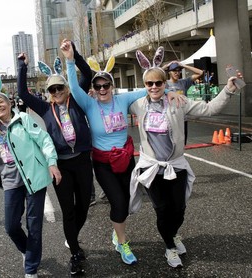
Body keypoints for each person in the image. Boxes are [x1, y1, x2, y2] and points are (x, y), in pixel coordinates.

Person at [60, 42, 183, 266]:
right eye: (98, 86)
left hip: (126, 159)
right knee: (117, 202)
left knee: (126, 203)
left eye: (106, 85)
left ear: (112, 86)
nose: (102, 89)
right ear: (94, 89)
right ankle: (122, 243)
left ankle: (117, 232)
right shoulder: (89, 104)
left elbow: (151, 88)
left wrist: (171, 91)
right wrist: (70, 60)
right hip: (103, 162)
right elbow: (75, 88)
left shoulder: (123, 100)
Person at [129, 47, 242, 268]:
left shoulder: (177, 102)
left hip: (175, 165)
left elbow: (210, 109)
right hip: (151, 168)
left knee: (179, 209)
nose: (153, 87)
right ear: (144, 86)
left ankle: (173, 233)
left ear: (164, 84)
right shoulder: (137, 104)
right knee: (162, 209)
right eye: (149, 83)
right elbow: (108, 98)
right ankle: (169, 247)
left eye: (158, 83)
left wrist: (228, 90)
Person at [17, 41, 94, 275]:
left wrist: (74, 56)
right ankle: (75, 253)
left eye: (60, 88)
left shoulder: (78, 100)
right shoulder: (44, 108)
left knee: (83, 207)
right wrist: (22, 66)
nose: (57, 92)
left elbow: (88, 73)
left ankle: (73, 238)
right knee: (68, 211)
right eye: (53, 90)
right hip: (61, 164)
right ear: (48, 94)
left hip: (81, 160)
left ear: (66, 88)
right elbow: (21, 93)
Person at [0, 88, 61, 278]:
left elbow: (44, 139)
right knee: (11, 226)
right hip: (10, 182)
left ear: (9, 103)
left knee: (34, 225)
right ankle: (28, 251)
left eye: (1, 102)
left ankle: (30, 268)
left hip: (33, 178)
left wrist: (52, 162)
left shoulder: (23, 119)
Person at [162, 61, 203, 144]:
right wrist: (166, 66)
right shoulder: (164, 84)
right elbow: (153, 75)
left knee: (182, 143)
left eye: (179, 71)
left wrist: (184, 65)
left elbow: (200, 72)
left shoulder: (184, 82)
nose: (177, 73)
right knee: (170, 144)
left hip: (182, 119)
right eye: (174, 71)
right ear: (169, 72)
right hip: (170, 119)